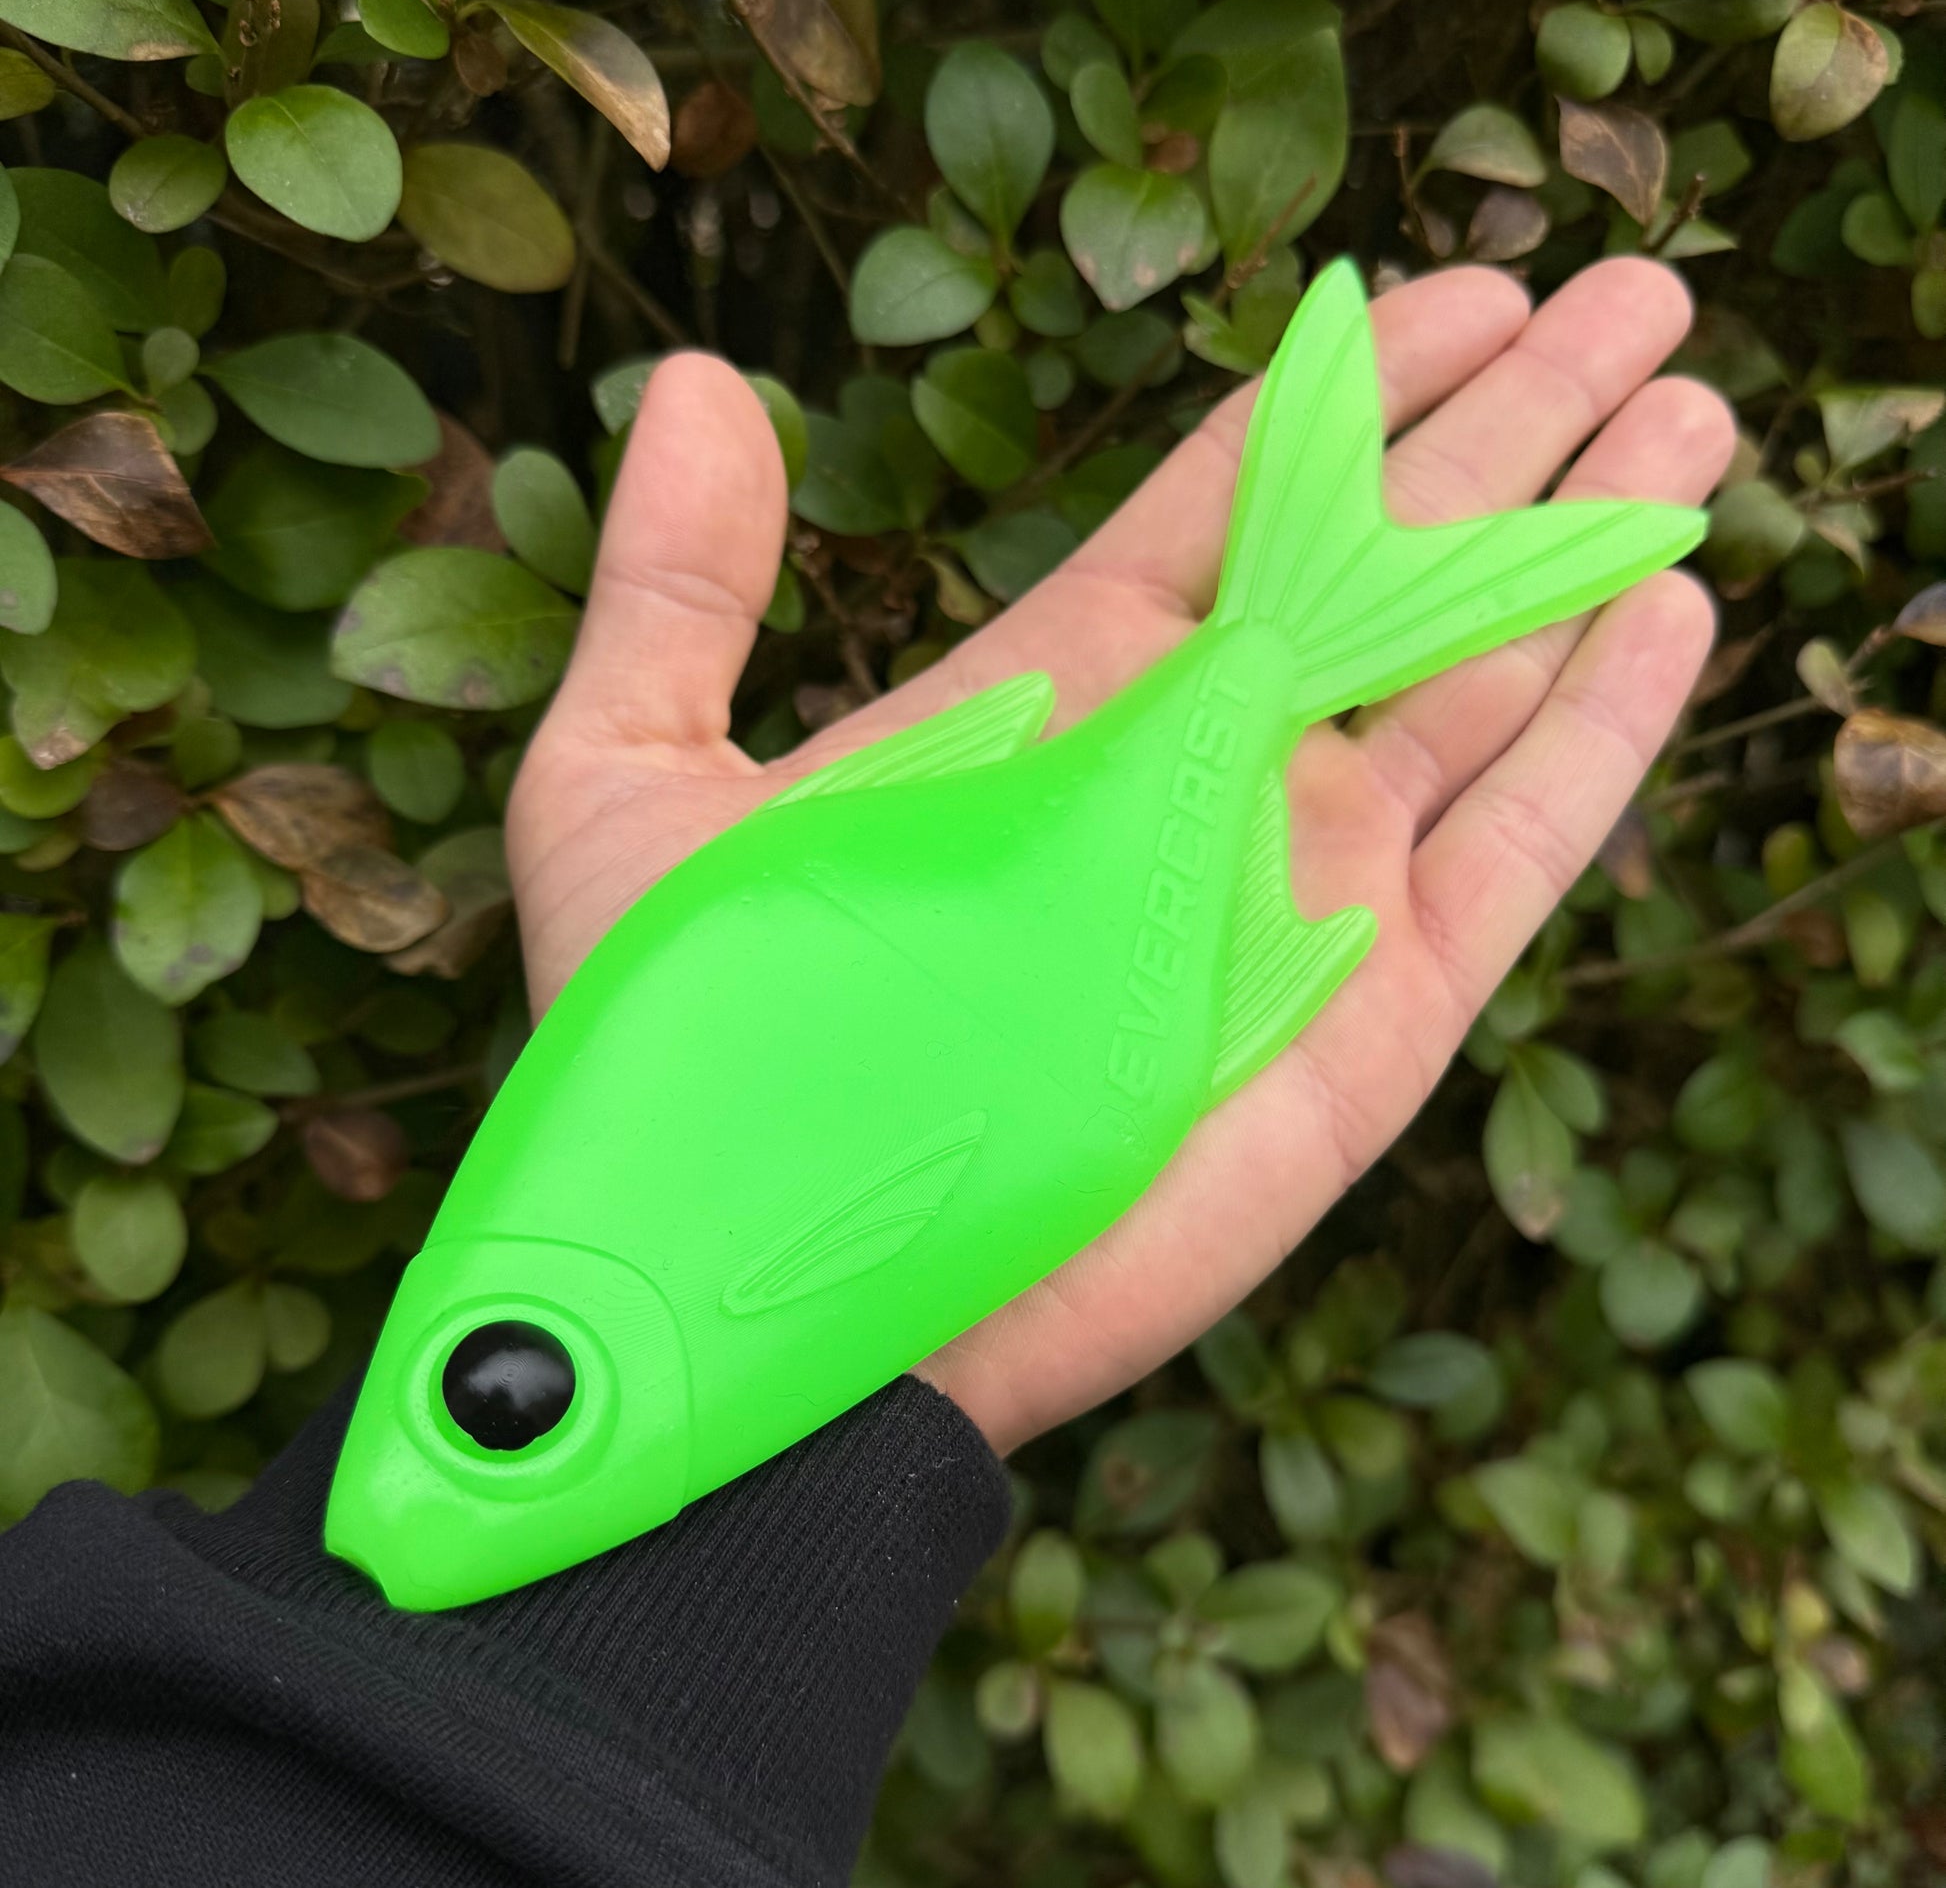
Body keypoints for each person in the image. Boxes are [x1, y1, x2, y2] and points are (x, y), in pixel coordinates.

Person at [0, 257, 1734, 1886]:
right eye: (504, 1409)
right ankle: (1305, 620)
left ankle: (1293, 624)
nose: (419, 1491)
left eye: (498, 1398)